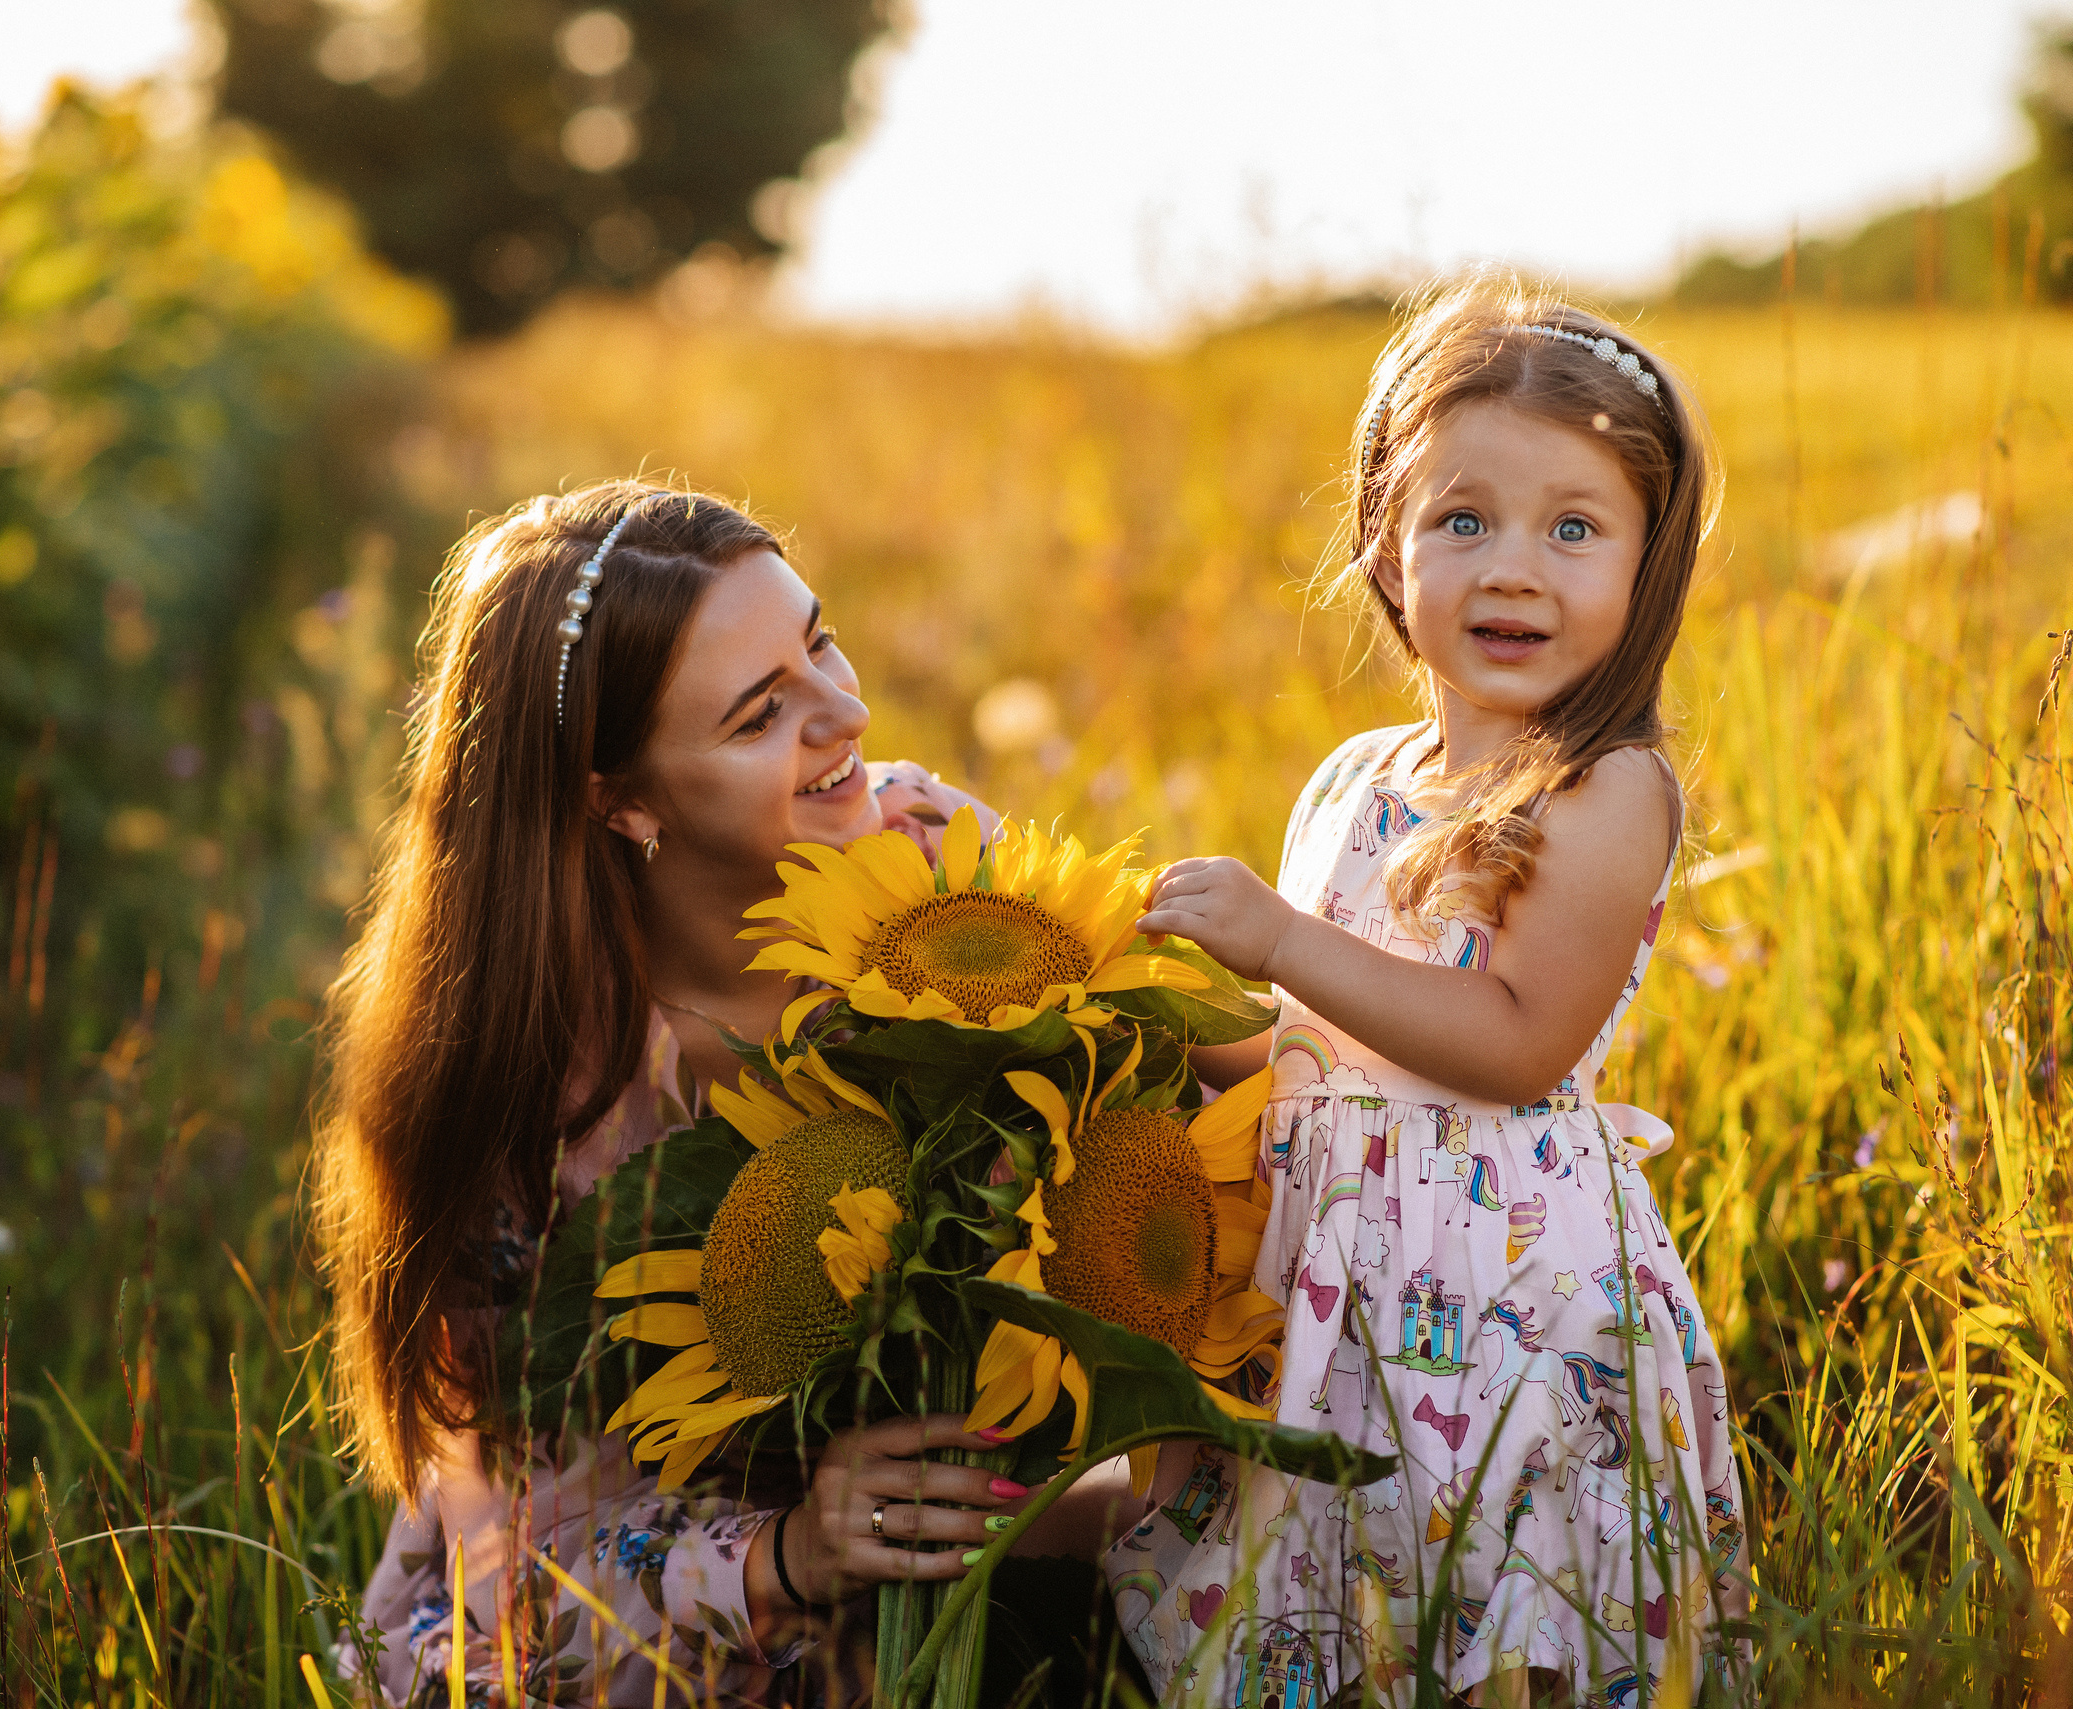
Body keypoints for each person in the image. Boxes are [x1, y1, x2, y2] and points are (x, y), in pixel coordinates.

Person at [315, 483, 1134, 1705]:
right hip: (661, 1619)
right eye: (761, 714)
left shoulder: (935, 881)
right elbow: (521, 1564)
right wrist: (792, 1549)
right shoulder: (534, 1102)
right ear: (621, 797)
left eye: (820, 642)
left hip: (975, 1541)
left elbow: (1234, 1099)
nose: (847, 713)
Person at [1121, 273, 1750, 1707]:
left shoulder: (1603, 788)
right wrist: (1157, 1021)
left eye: (1574, 529)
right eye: (1462, 520)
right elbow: (1312, 1047)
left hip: (1511, 1306)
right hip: (1331, 1288)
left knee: (1502, 1624)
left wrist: (1280, 938)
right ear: (1385, 545)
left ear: (1647, 566)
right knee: (1337, 1607)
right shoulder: (1356, 777)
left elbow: (1518, 1042)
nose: (1513, 569)